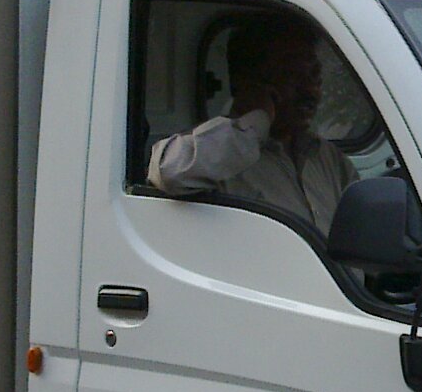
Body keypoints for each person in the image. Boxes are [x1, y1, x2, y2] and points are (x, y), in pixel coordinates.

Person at [146, 13, 358, 234]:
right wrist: (256, 120)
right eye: (292, 74)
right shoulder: (219, 153)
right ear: (248, 82)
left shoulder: (328, 159)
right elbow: (170, 172)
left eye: (314, 75)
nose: (310, 91)